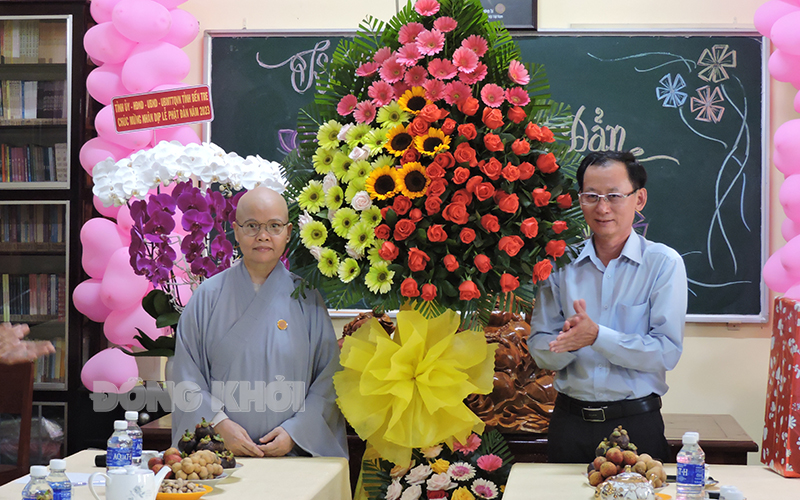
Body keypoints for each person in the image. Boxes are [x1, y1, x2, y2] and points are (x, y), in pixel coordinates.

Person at [527, 151, 687, 463]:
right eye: (591, 196)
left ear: (639, 199)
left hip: (636, 425)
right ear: (580, 199)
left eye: (614, 196)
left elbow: (667, 352)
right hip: (569, 423)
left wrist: (597, 336)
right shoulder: (559, 262)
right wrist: (567, 344)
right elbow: (538, 346)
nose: (602, 208)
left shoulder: (663, 264)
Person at [171, 186, 348, 458]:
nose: (263, 236)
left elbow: (328, 378)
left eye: (274, 226)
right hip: (219, 456)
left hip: (291, 456)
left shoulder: (307, 298)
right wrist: (218, 425)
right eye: (252, 225)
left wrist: (296, 432)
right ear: (236, 230)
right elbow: (186, 376)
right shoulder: (207, 297)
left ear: (288, 233)